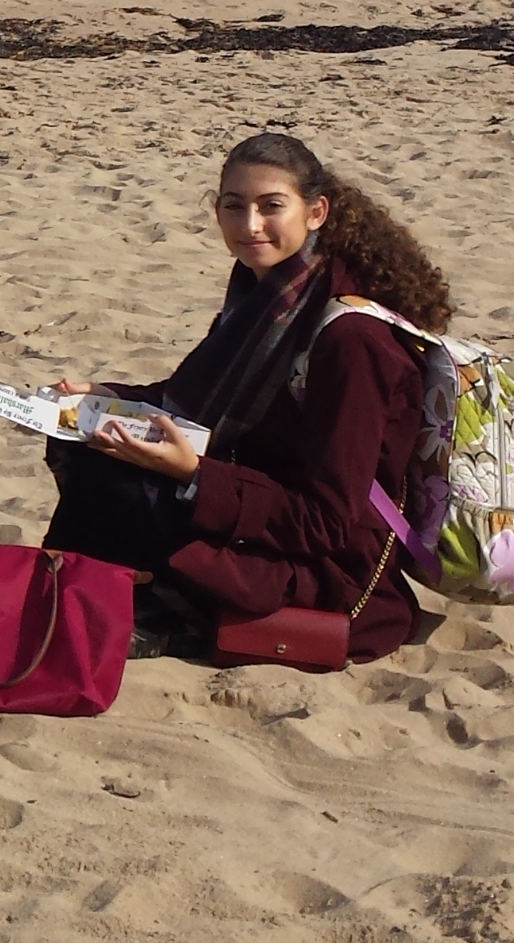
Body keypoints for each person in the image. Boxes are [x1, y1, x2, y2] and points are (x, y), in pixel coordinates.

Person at [44, 132, 446, 665]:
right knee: (92, 446)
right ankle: (82, 597)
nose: (250, 225)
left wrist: (194, 476)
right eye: (234, 207)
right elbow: (199, 401)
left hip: (334, 566)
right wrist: (106, 396)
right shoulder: (268, 296)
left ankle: (122, 605)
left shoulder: (351, 340)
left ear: (317, 211)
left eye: (271, 206)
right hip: (269, 503)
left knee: (121, 489)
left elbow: (326, 521)